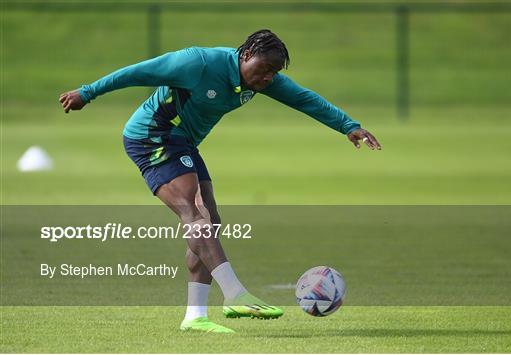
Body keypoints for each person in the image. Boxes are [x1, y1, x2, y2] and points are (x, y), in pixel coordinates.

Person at [59, 29, 381, 333]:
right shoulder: (198, 63)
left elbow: (304, 98)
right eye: (265, 68)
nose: (268, 77)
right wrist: (87, 93)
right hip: (152, 136)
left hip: (181, 142)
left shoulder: (262, 81)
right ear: (247, 54)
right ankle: (235, 294)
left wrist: (347, 126)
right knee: (194, 214)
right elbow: (137, 72)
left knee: (210, 221)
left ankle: (195, 317)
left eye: (274, 72)